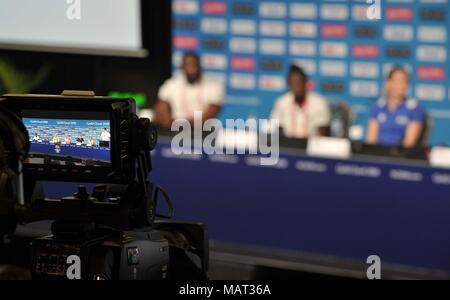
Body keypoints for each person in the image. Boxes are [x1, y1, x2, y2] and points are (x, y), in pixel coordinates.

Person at [154, 51, 224, 129]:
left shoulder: (213, 86)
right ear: (182, 66)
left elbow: (212, 112)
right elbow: (161, 108)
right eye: (188, 64)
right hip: (174, 129)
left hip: (202, 131)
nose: (191, 68)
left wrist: (189, 125)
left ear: (199, 66)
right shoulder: (170, 84)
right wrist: (169, 122)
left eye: (194, 64)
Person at [366, 67, 426, 148]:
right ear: (388, 83)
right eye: (398, 80)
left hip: (399, 156)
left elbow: (408, 144)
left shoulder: (414, 109)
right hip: (377, 154)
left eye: (405, 81)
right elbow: (371, 140)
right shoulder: (378, 106)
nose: (402, 85)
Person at [269, 65, 331, 138]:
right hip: (287, 145)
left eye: (299, 82)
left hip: (310, 145)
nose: (297, 87)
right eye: (293, 83)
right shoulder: (282, 102)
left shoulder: (319, 103)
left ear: (305, 83)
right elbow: (273, 131)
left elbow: (323, 134)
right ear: (289, 84)